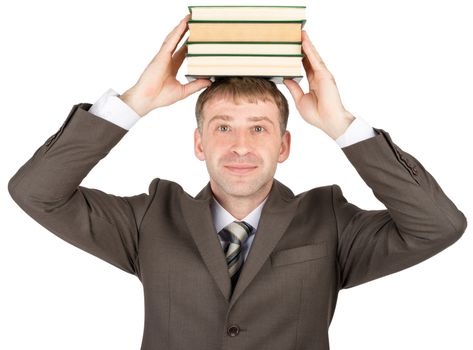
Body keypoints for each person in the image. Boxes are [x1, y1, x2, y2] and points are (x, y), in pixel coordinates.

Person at [8, 14, 467, 350]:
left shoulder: (330, 221)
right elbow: (36, 192)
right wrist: (134, 102)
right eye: (223, 127)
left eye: (259, 128)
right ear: (199, 143)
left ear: (284, 145)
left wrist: (342, 125)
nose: (241, 145)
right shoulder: (150, 218)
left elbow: (438, 226)